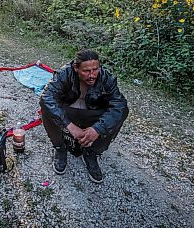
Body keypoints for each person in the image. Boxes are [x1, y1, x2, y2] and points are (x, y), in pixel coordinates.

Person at [39, 49, 129, 183]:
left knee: (120, 114)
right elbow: (46, 97)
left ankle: (92, 153)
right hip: (69, 112)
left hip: (92, 114)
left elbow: (120, 106)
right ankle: (59, 147)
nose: (92, 75)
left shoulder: (106, 78)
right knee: (47, 108)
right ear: (76, 68)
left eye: (95, 69)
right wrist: (70, 126)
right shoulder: (65, 73)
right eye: (87, 71)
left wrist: (98, 129)